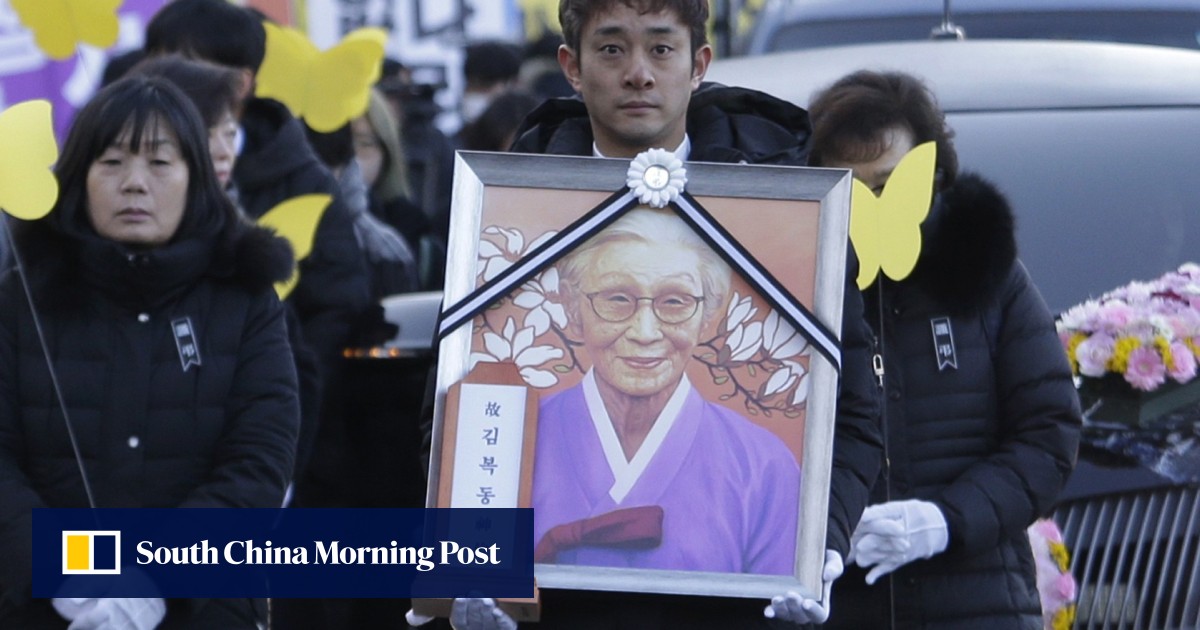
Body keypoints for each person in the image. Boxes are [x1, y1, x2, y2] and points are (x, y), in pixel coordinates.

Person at [414, 1, 883, 627]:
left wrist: (820, 538)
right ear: (571, 67)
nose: (638, 72)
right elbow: (449, 409)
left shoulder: (791, 213)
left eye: (661, 49)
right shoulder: (509, 214)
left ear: (699, 64)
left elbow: (852, 406)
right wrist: (464, 565)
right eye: (611, 49)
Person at [0, 76, 299, 628]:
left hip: (206, 605)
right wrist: (65, 572)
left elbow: (259, 461)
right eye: (112, 162)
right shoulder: (22, 298)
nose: (134, 184)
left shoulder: (245, 300)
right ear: (78, 177)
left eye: (160, 164)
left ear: (197, 179)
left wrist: (157, 578)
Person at [805, 70, 1082, 628]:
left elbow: (1048, 433)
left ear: (930, 176)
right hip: (836, 604)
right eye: (850, 189)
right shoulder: (791, 293)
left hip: (979, 603)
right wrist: (820, 530)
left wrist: (945, 519)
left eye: (886, 185)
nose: (871, 207)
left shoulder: (987, 277)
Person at [534, 207, 800, 573]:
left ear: (709, 314)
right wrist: (463, 599)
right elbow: (460, 574)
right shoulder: (512, 437)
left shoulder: (763, 465)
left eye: (674, 302)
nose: (645, 332)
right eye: (617, 299)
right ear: (572, 305)